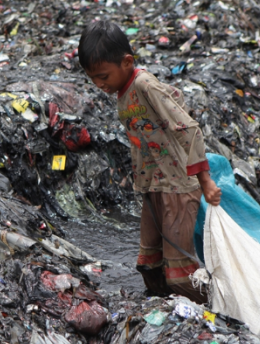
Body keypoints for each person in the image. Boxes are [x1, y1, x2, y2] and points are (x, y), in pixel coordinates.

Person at [78, 20, 221, 304]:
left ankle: (214, 311)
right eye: (92, 78)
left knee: (181, 275)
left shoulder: (144, 85)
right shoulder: (122, 89)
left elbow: (188, 128)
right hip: (153, 185)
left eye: (103, 76)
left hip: (177, 186)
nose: (99, 84)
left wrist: (205, 181)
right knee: (149, 263)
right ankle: (160, 311)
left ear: (127, 62)